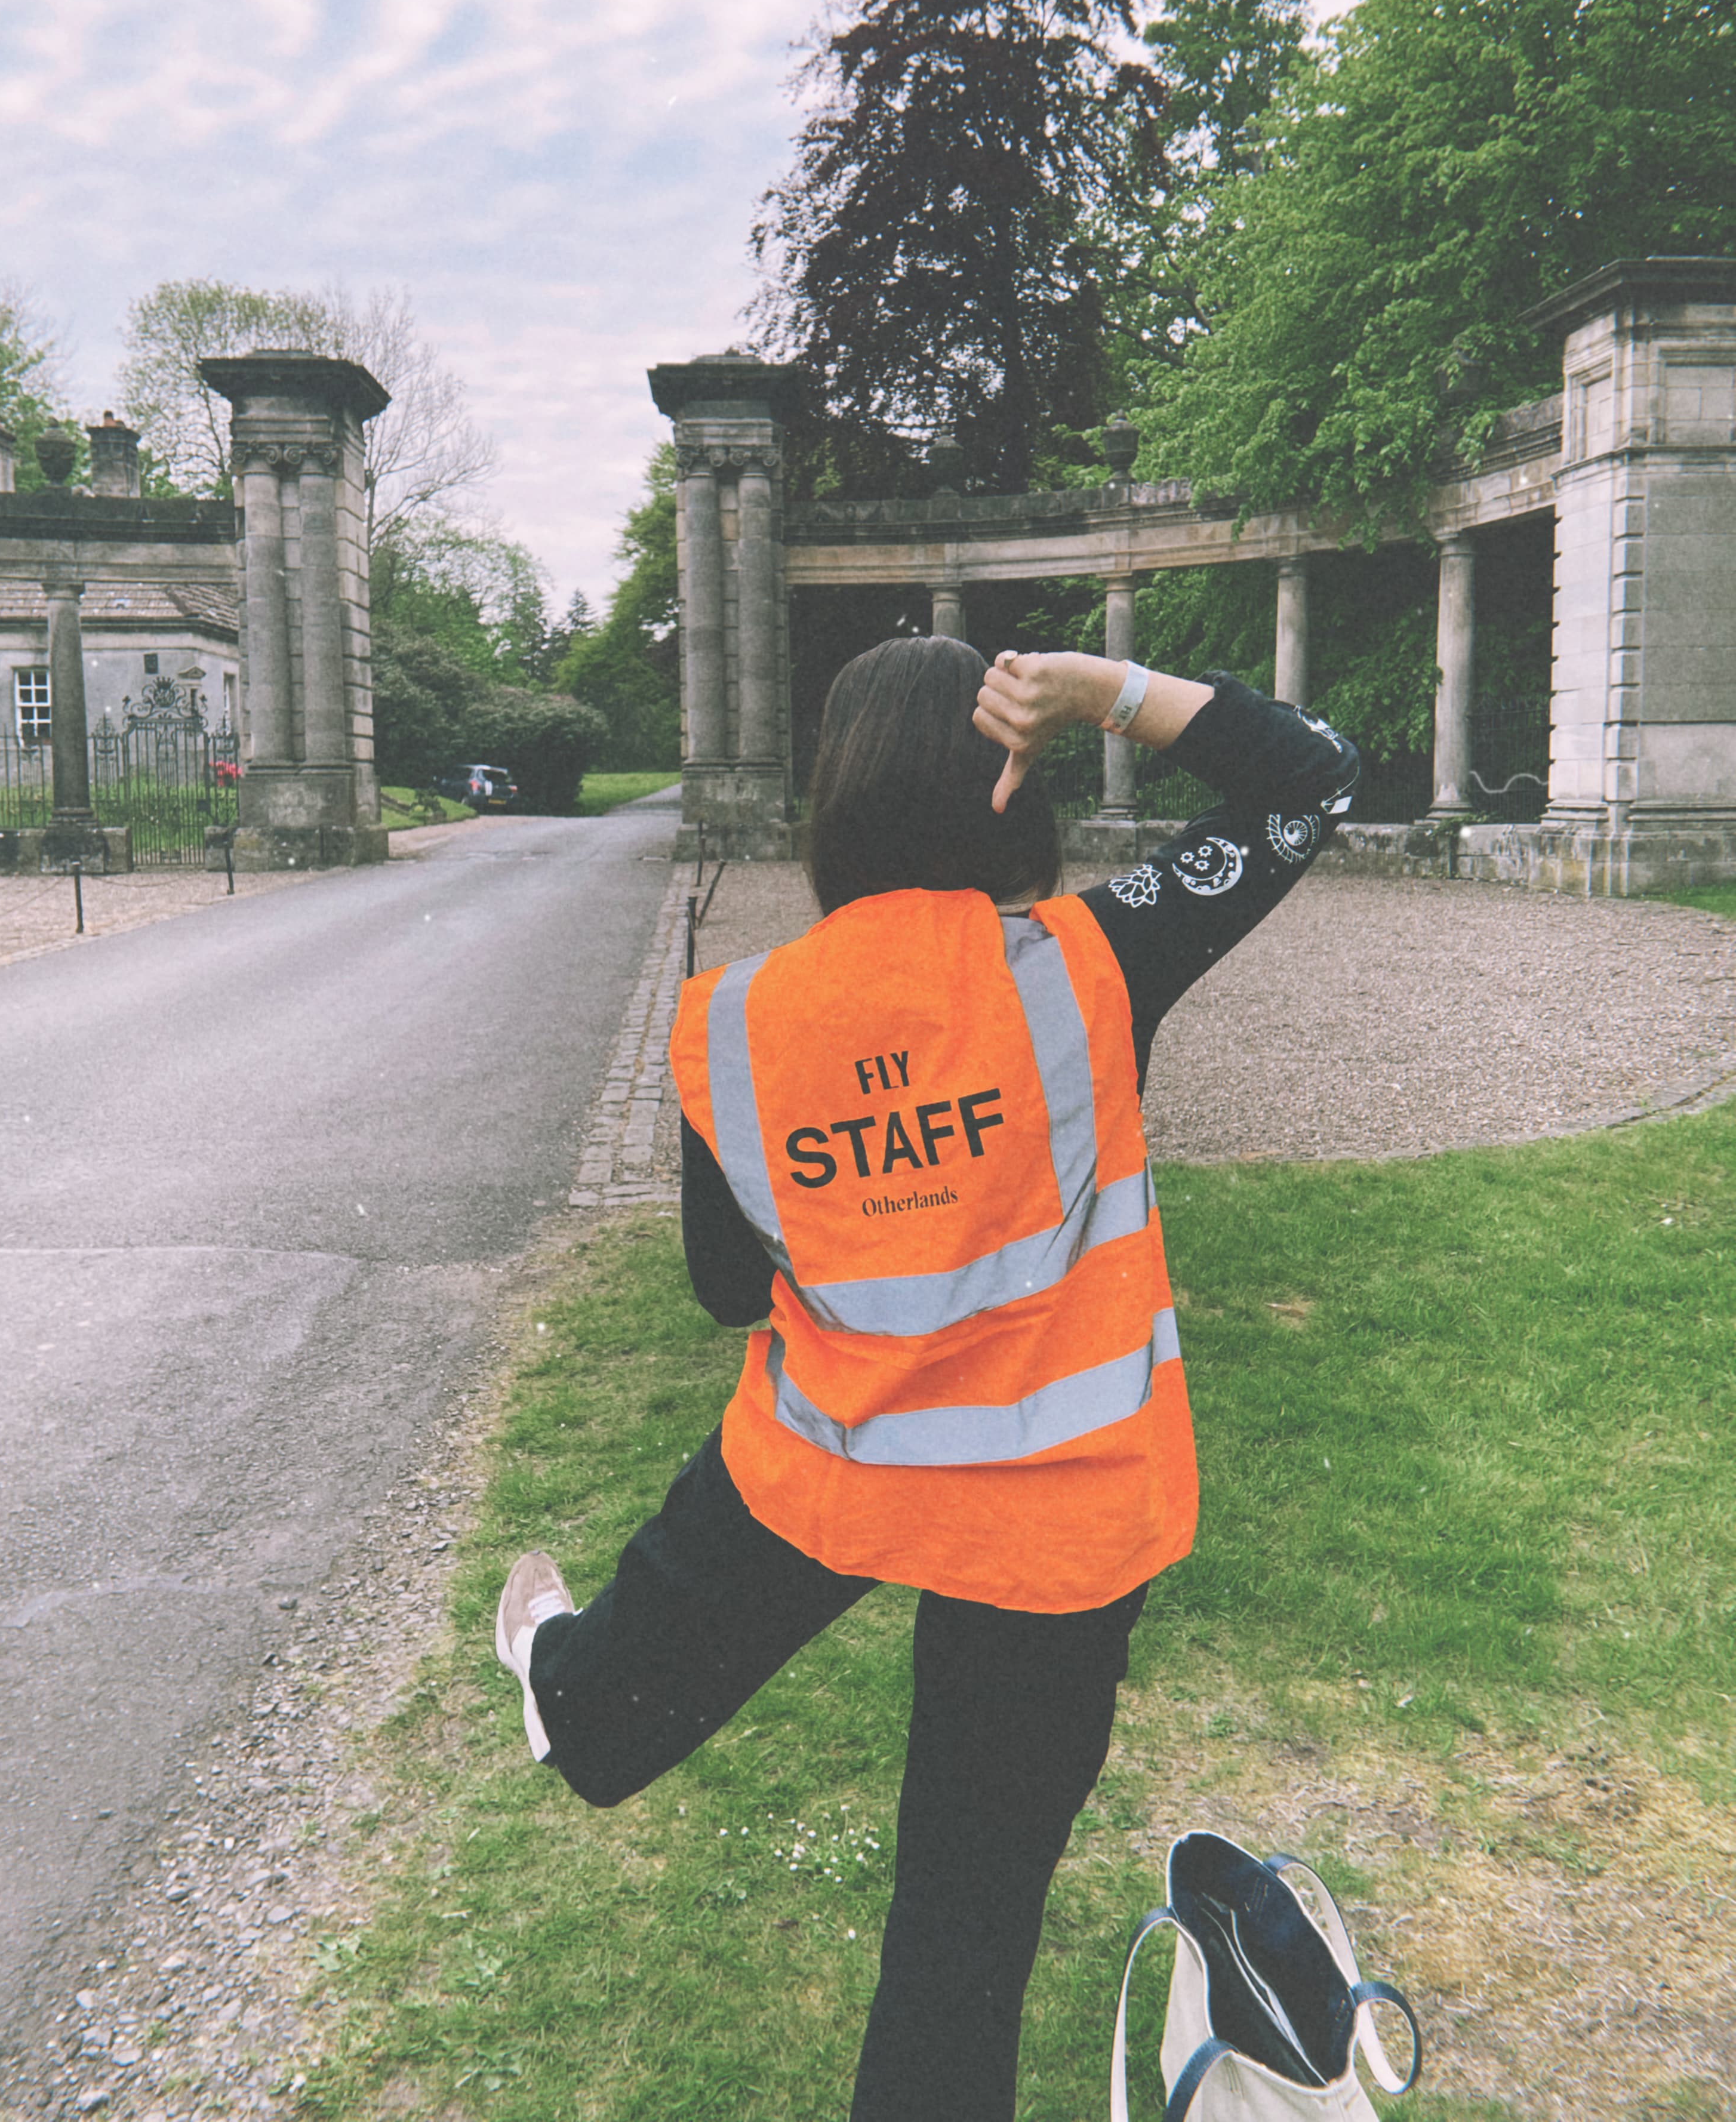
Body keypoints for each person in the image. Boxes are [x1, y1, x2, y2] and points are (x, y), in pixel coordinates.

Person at [495, 636, 1359, 2121]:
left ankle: (570, 1698)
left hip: (838, 1462)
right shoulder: (1094, 962)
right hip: (1062, 1520)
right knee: (960, 1931)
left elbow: (723, 1291)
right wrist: (1104, 694)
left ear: (835, 800)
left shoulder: (735, 1022)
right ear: (1008, 788)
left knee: (624, 1679)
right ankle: (578, 1697)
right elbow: (1308, 780)